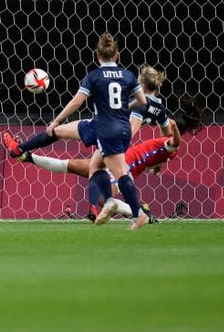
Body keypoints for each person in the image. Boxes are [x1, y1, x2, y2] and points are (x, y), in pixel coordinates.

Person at [19, 94, 204, 223]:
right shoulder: (164, 146)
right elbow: (157, 155)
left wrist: (173, 129)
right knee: (76, 166)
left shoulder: (172, 145)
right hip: (120, 159)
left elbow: (172, 141)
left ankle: (139, 213)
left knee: (101, 197)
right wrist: (157, 167)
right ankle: (28, 156)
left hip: (123, 164)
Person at [45, 33, 147, 230]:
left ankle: (138, 214)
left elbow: (77, 102)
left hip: (107, 130)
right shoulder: (128, 75)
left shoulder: (94, 76)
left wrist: (56, 121)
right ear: (117, 55)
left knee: (119, 173)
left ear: (97, 55)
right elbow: (142, 101)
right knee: (95, 165)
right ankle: (109, 201)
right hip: (124, 128)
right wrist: (125, 108)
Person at [3, 65, 172, 159]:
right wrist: (160, 159)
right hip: (110, 132)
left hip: (104, 130)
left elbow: (132, 127)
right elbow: (167, 136)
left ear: (142, 85)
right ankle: (20, 149)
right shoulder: (159, 107)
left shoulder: (140, 104)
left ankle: (20, 150)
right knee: (99, 173)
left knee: (56, 131)